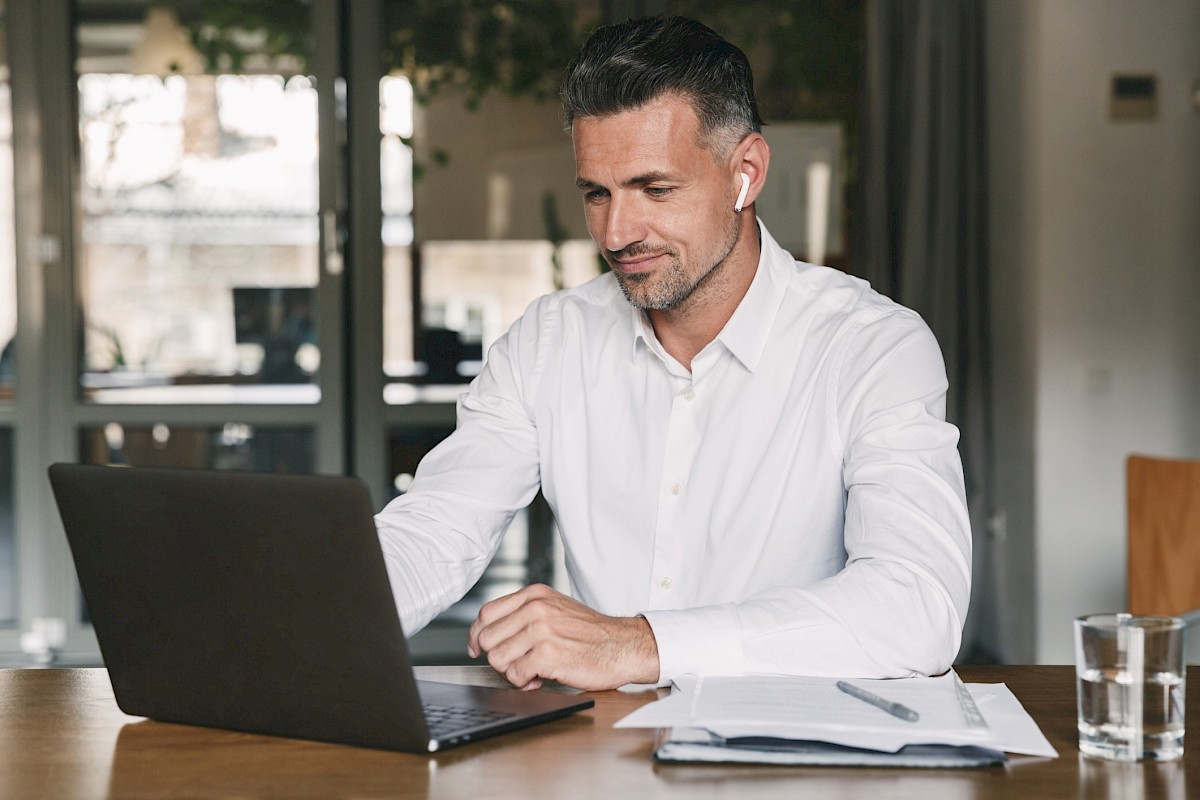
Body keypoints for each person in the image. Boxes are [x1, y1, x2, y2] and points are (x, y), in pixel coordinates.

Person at [375, 15, 971, 692]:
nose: (617, 231)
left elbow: (917, 606)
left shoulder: (872, 347)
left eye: (655, 189)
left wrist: (638, 644)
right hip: (601, 756)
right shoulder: (549, 342)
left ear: (744, 173)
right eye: (597, 193)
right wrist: (311, 619)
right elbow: (434, 533)